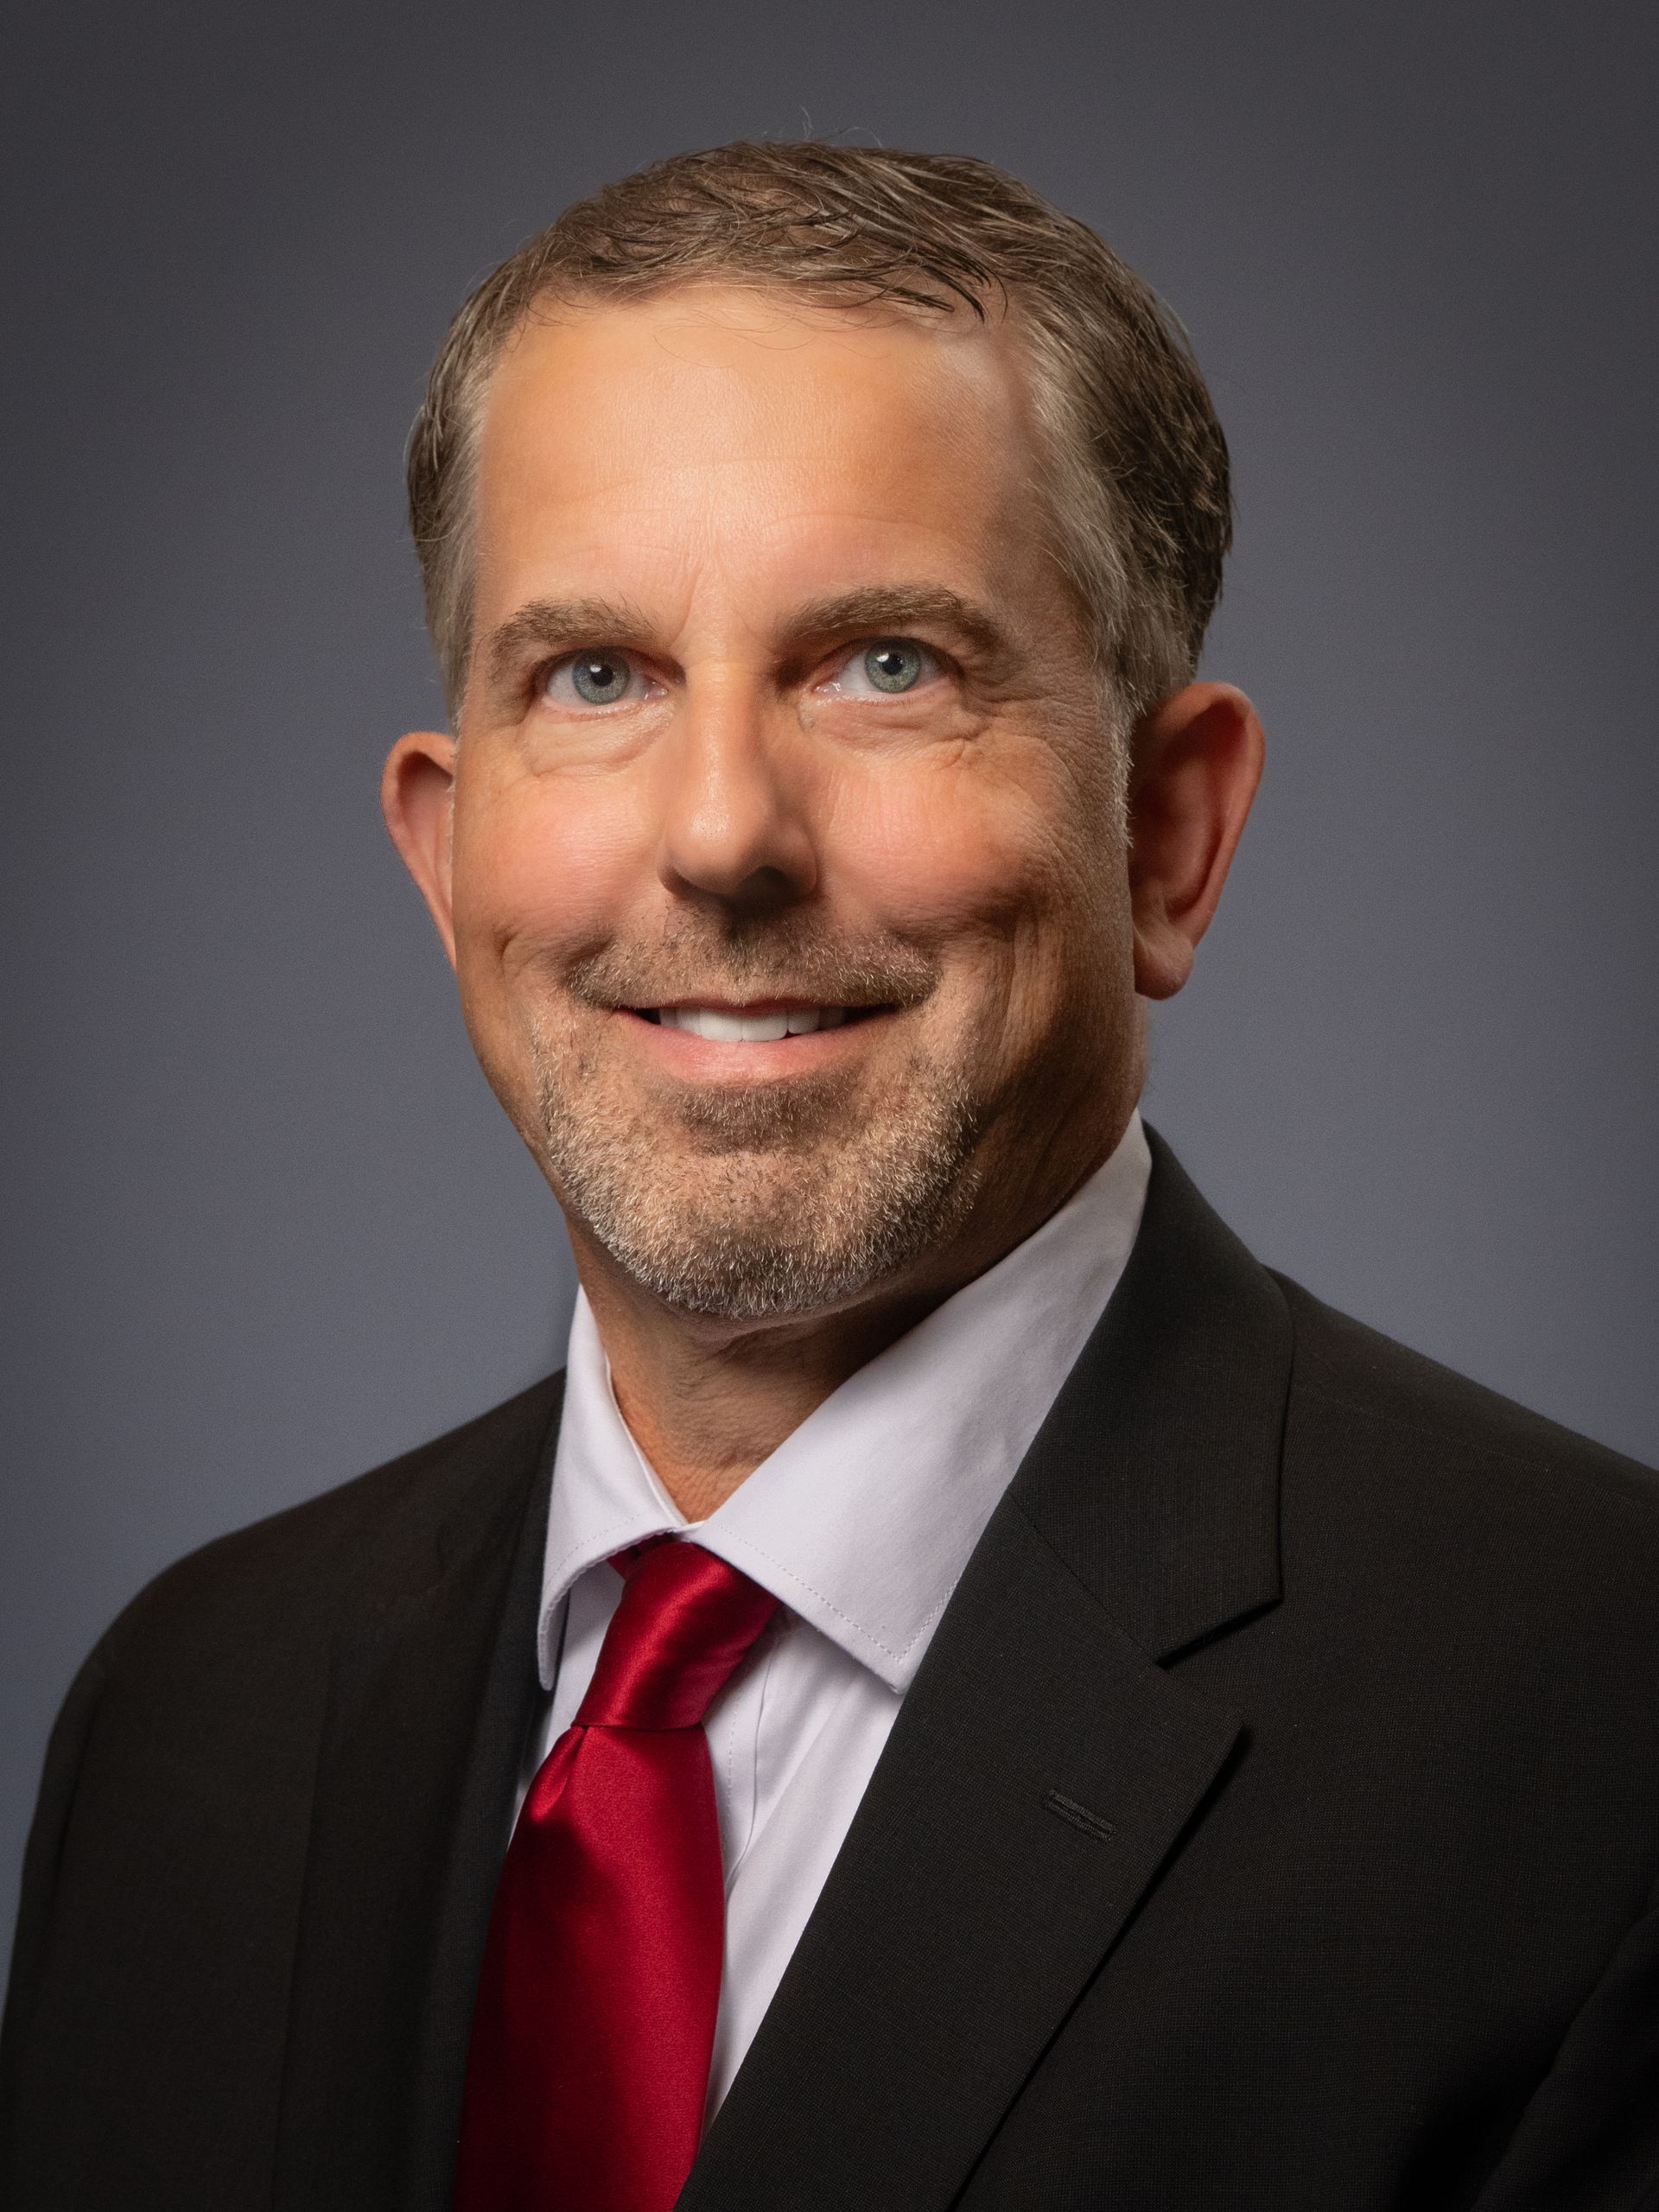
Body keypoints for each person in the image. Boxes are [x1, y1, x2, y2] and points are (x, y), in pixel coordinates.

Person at [3, 139, 1656, 2212]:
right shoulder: (187, 1719)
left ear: (1166, 833)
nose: (721, 835)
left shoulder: (1601, 1736)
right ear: (445, 857)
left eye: (887, 664)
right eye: (596, 676)